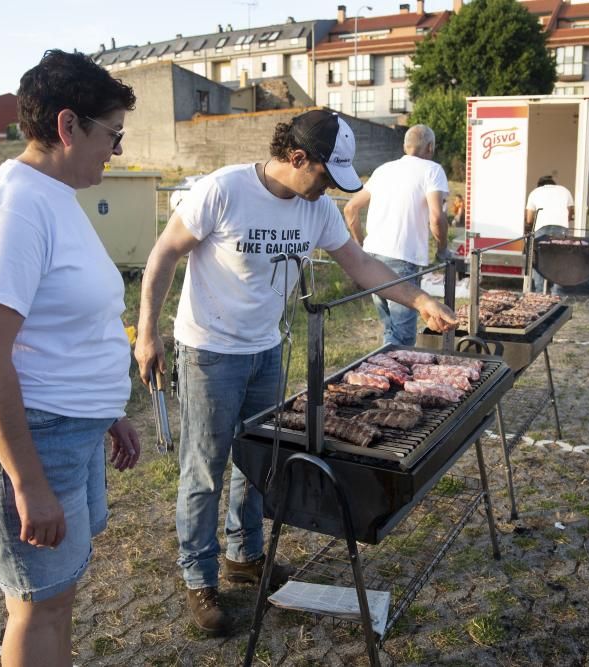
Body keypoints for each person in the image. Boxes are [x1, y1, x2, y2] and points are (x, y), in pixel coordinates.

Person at [135, 110, 457, 636]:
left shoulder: (317, 208)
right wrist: (147, 331)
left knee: (259, 461)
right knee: (205, 468)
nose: (328, 189)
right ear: (297, 157)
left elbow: (361, 264)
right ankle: (200, 577)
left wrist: (418, 297)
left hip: (267, 350)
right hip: (209, 352)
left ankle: (245, 555)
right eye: (325, 177)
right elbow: (164, 254)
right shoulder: (224, 190)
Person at [0, 49, 140, 667]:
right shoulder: (12, 206)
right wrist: (27, 483)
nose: (118, 150)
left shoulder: (52, 195)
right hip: (25, 440)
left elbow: (61, 327)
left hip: (62, 426)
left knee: (56, 595)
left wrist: (106, 409)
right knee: (38, 607)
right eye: (113, 134)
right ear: (69, 125)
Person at [344, 124, 449, 346]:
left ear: (405, 146)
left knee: (390, 330)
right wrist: (442, 250)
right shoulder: (432, 170)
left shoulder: (383, 170)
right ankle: (394, 379)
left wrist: (360, 245)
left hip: (372, 258)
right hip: (402, 260)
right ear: (430, 147)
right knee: (402, 337)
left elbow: (351, 208)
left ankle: (382, 376)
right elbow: (437, 218)